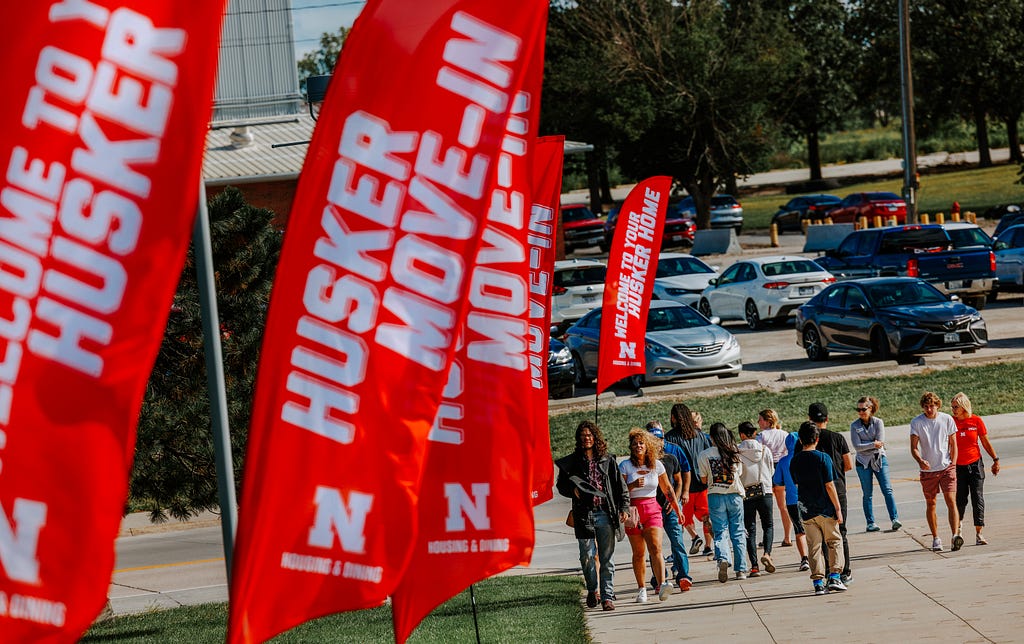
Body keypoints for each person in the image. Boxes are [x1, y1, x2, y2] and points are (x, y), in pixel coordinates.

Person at [555, 421, 630, 611]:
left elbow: (620, 488)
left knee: (607, 557)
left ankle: (607, 596)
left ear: (595, 437)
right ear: (579, 439)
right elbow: (561, 485)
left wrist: (624, 508)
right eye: (583, 436)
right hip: (583, 514)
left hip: (605, 512)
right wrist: (573, 490)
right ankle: (592, 589)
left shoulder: (608, 460)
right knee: (587, 556)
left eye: (589, 435)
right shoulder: (573, 462)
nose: (586, 438)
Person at [619, 427, 684, 603]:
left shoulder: (657, 464)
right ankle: (641, 589)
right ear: (631, 447)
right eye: (635, 444)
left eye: (641, 443)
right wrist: (632, 485)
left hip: (653, 509)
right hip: (633, 512)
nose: (638, 446)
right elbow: (619, 491)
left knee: (656, 548)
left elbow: (668, 489)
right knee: (639, 553)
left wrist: (677, 510)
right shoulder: (625, 466)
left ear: (648, 445)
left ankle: (662, 584)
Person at [789, 421, 846, 595]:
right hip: (826, 508)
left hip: (807, 510)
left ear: (800, 440)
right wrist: (837, 508)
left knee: (814, 546)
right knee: (834, 541)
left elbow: (797, 484)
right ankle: (835, 577)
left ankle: (818, 582)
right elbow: (830, 485)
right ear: (817, 439)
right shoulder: (823, 458)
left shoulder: (795, 461)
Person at [909, 391, 961, 552]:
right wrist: (920, 461)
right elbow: (914, 447)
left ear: (937, 405)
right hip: (928, 470)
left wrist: (953, 463)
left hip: (946, 467)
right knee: (931, 503)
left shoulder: (946, 419)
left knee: (951, 501)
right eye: (926, 407)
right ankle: (936, 538)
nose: (929, 409)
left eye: (932, 406)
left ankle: (955, 536)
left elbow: (953, 444)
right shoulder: (917, 422)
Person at [808, 402, 853, 584]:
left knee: (820, 534)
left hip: (815, 493)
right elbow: (848, 464)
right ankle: (845, 570)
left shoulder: (805, 441)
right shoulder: (838, 438)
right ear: (827, 419)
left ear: (809, 419)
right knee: (840, 532)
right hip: (838, 489)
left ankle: (828, 571)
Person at [697, 422, 748, 582]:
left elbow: (704, 479)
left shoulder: (704, 455)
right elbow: (738, 473)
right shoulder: (734, 452)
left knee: (720, 532)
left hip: (715, 495)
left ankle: (723, 558)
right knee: (738, 532)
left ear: (711, 437)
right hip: (734, 495)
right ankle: (741, 570)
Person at [646, 421, 693, 591]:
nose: (657, 443)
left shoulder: (671, 458)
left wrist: (677, 500)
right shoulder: (644, 462)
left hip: (671, 507)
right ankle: (659, 578)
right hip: (652, 508)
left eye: (659, 439)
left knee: (677, 542)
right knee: (654, 546)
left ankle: (684, 576)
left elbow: (678, 481)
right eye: (653, 439)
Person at [950, 392, 1000, 546]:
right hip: (958, 466)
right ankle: (958, 530)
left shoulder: (976, 420)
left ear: (964, 406)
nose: (953, 410)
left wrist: (995, 459)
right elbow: (946, 444)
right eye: (952, 407)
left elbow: (985, 442)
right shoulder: (950, 422)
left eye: (956, 407)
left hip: (975, 465)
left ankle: (979, 533)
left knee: (977, 498)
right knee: (960, 499)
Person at [665, 402, 713, 557]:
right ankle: (712, 546)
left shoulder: (670, 438)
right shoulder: (700, 435)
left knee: (682, 518)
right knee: (707, 518)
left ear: (673, 418)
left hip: (683, 486)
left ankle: (690, 541)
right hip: (704, 483)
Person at [850, 396, 901, 532]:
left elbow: (881, 442)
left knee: (887, 490)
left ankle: (895, 519)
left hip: (879, 459)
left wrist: (870, 445)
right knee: (867, 494)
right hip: (862, 462)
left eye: (863, 409)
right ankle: (870, 523)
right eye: (858, 409)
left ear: (870, 409)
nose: (860, 412)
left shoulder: (878, 422)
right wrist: (873, 444)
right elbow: (857, 446)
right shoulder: (854, 426)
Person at [738, 421, 775, 577]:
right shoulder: (764, 449)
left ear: (741, 434)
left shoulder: (738, 451)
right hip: (765, 489)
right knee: (768, 525)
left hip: (747, 492)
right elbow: (771, 469)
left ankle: (754, 566)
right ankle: (767, 553)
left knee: (750, 529)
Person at [773, 430, 810, 571]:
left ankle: (804, 558)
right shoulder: (806, 458)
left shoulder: (783, 462)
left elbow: (777, 481)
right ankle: (815, 554)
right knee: (812, 527)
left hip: (792, 501)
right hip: (808, 498)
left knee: (799, 530)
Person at [756, 409, 792, 547]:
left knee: (767, 507)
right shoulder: (784, 434)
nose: (758, 422)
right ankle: (787, 536)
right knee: (783, 506)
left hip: (767, 469)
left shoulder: (761, 436)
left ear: (767, 421)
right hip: (782, 468)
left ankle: (767, 538)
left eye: (760, 419)